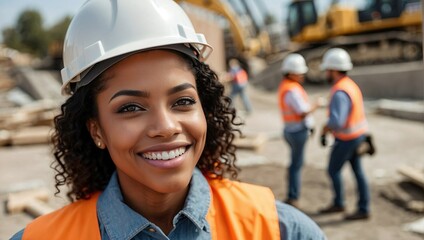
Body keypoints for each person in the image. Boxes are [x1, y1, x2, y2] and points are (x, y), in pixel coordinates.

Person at [11, 0, 326, 239]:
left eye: (183, 101)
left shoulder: (281, 230)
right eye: (130, 108)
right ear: (96, 129)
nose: (165, 127)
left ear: (206, 108)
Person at [318, 48, 371, 220]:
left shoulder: (340, 91)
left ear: (333, 70)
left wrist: (325, 129)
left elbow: (337, 121)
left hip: (347, 139)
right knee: (358, 172)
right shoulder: (350, 84)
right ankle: (363, 208)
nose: (326, 73)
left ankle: (339, 203)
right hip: (358, 135)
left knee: (333, 170)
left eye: (327, 69)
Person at [278, 53, 318, 208]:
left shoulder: (287, 86)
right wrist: (316, 104)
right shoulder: (292, 90)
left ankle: (292, 195)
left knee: (295, 163)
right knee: (296, 165)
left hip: (291, 130)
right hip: (297, 132)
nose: (302, 75)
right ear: (291, 73)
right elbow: (302, 111)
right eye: (300, 72)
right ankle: (293, 197)